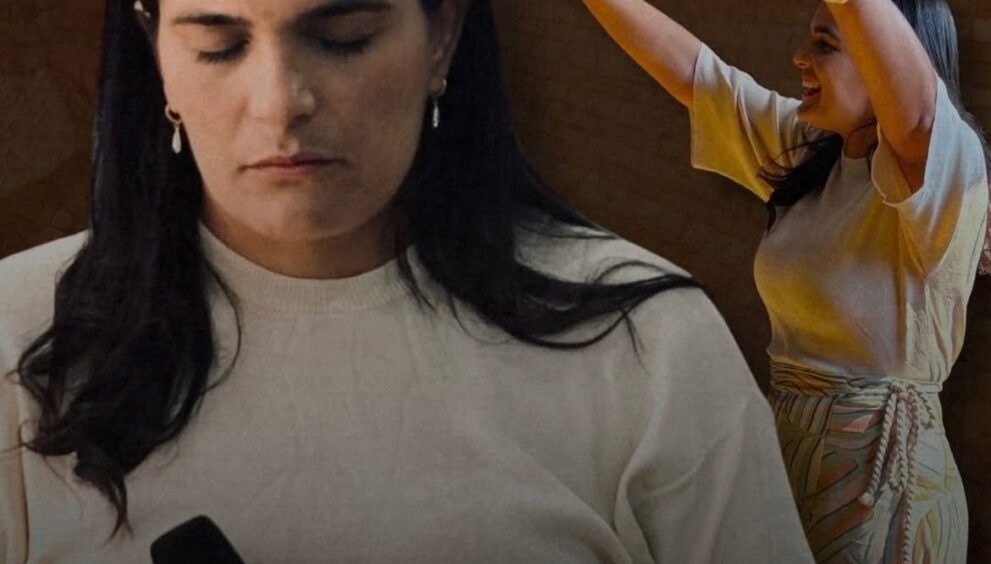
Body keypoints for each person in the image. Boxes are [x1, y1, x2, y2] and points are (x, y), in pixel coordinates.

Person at [0, 0, 813, 562]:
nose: (280, 104)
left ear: (441, 36)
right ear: (156, 52)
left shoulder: (647, 347)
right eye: (219, 44)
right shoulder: (16, 331)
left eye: (344, 37)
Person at [581, 0, 990, 562]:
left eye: (825, 44)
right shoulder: (811, 153)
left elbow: (916, 115)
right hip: (795, 462)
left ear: (888, 59)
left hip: (882, 490)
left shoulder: (943, 169)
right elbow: (692, 72)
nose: (800, 56)